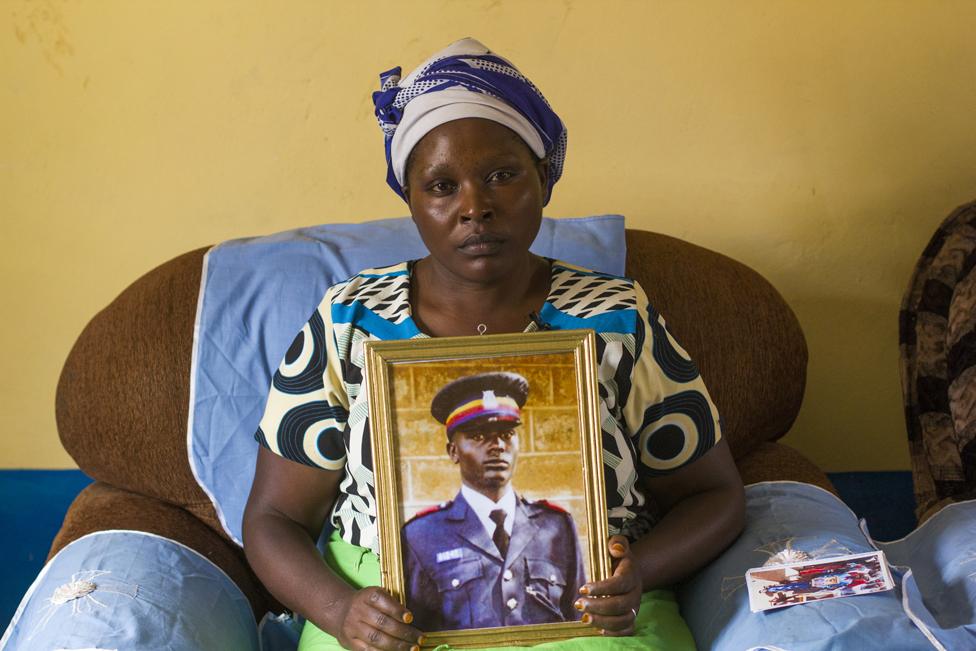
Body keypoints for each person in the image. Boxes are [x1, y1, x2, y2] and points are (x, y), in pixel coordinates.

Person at [243, 37, 745, 651]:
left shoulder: (615, 317)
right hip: (387, 619)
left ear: (545, 179)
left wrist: (639, 575)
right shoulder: (349, 320)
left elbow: (714, 496)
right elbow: (273, 518)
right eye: (441, 186)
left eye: (502, 176)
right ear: (411, 199)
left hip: (591, 612)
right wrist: (340, 609)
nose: (474, 207)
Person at [401, 372, 585, 631]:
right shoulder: (421, 534)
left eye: (507, 434)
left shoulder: (556, 525)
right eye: (478, 436)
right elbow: (417, 630)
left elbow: (579, 620)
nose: (497, 445)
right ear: (453, 451)